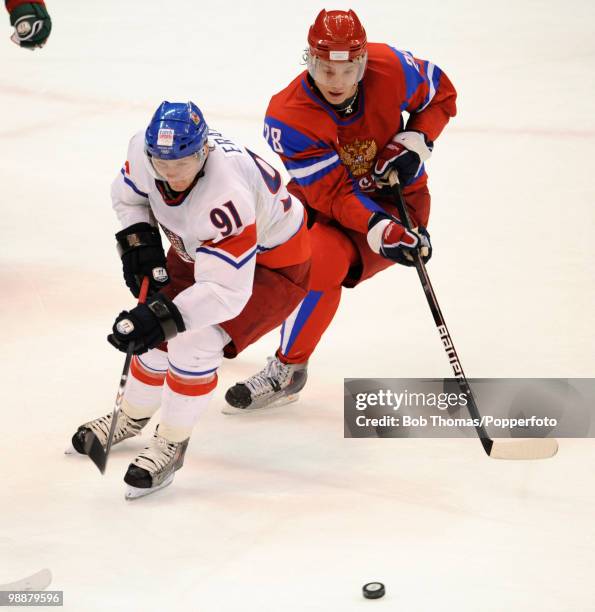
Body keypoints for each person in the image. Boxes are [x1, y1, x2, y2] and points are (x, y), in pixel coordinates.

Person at [68, 101, 311, 498]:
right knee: (158, 333)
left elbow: (226, 292)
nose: (170, 174)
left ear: (204, 152)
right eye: (162, 164)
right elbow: (130, 199)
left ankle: (172, 442)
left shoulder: (226, 197)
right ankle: (131, 416)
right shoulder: (143, 154)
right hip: (199, 248)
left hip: (272, 265)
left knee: (194, 339)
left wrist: (160, 316)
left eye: (182, 164)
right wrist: (139, 241)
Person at [224, 9, 457, 412]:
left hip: (397, 202)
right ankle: (231, 345)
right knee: (269, 258)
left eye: (349, 70)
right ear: (309, 60)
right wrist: (379, 230)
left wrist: (417, 139)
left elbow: (442, 94)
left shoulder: (393, 67)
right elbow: (333, 194)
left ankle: (287, 368)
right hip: (327, 200)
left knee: (318, 264)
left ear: (364, 60)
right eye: (325, 70)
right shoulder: (288, 115)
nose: (338, 82)